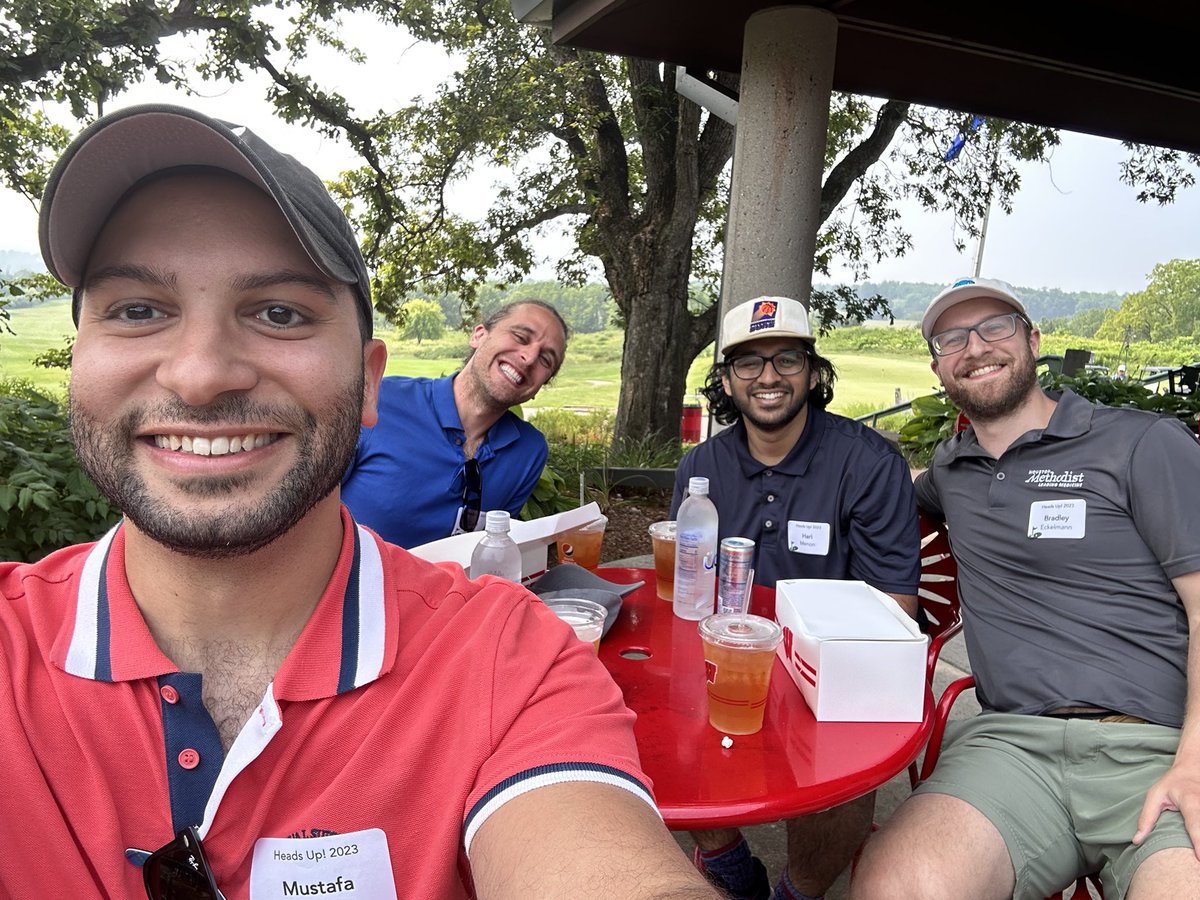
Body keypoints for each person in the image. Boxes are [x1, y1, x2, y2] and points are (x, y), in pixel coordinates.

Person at [1, 104, 720, 900]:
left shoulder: (509, 660)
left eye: (279, 312)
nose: (200, 375)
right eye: (137, 310)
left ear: (365, 380)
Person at [852, 277, 1200, 900]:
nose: (976, 346)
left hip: (1158, 746)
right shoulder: (953, 470)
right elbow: (883, 495)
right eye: (952, 338)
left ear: (1033, 340)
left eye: (996, 327)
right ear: (938, 368)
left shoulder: (1142, 443)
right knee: (895, 887)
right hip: (1012, 749)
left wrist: (1194, 760)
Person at [671, 296, 921, 900]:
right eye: (748, 363)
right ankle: (726, 858)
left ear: (812, 372)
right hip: (728, 650)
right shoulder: (700, 468)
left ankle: (799, 890)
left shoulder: (868, 463)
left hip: (829, 662)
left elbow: (895, 609)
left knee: (848, 771)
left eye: (786, 358)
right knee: (654, 714)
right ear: (727, 380)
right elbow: (687, 584)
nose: (768, 377)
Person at [340, 299, 566, 547]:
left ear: (539, 387)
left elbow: (494, 548)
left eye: (546, 360)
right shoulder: (380, 401)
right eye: (521, 337)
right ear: (479, 335)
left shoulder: (529, 452)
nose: (529, 357)